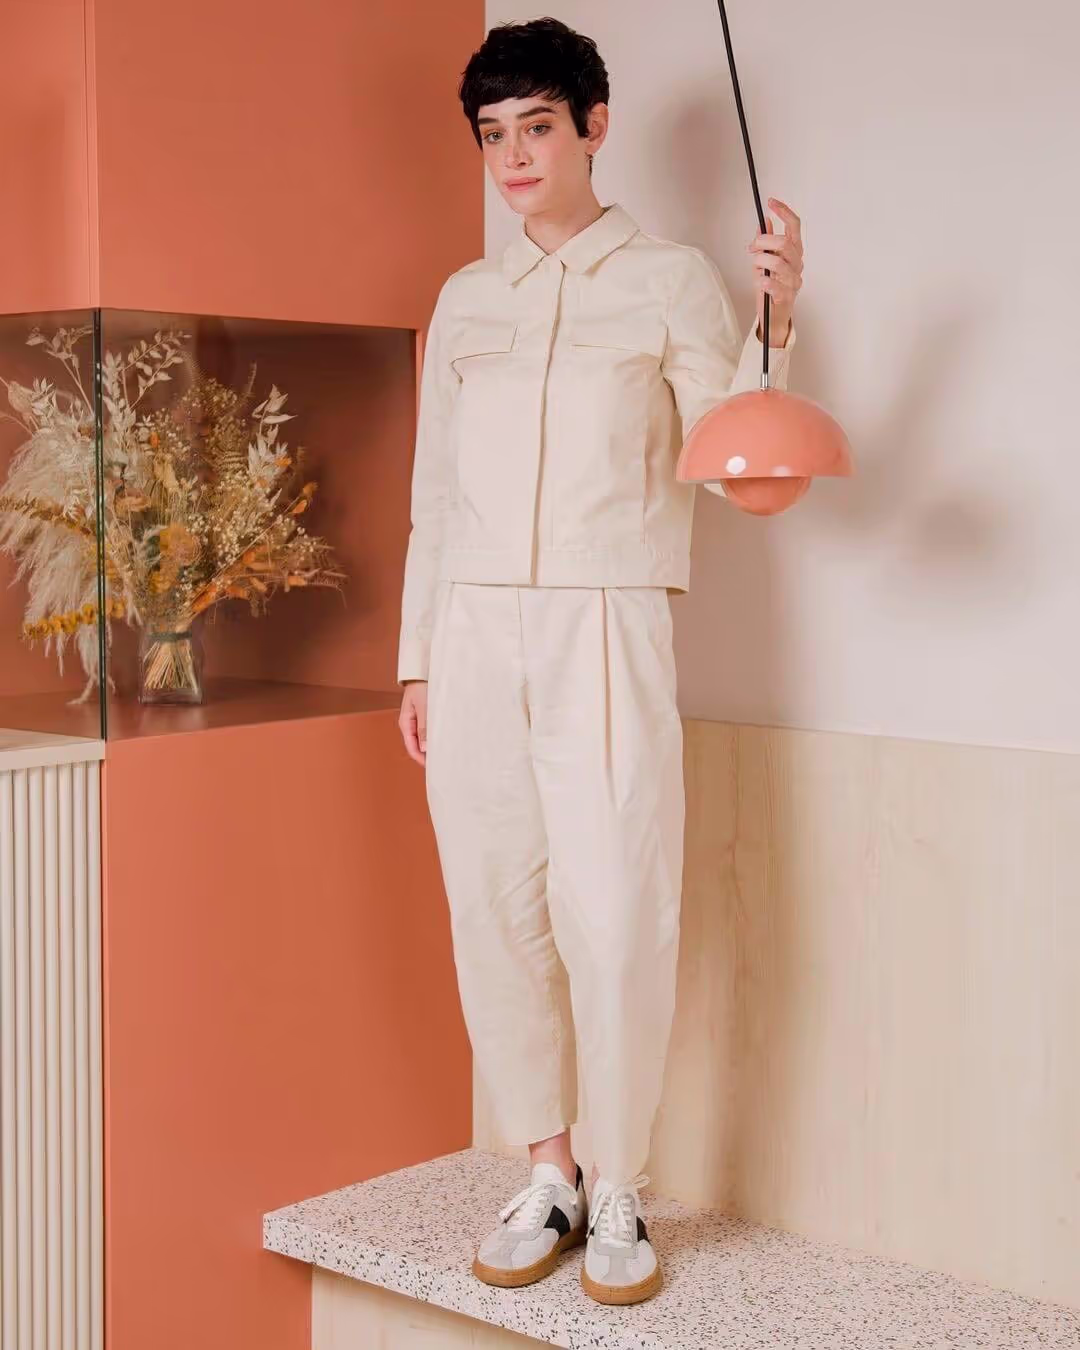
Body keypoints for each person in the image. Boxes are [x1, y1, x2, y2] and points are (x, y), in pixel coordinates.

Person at [396, 16, 803, 1306]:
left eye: (536, 126)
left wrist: (777, 320)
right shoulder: (466, 300)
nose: (514, 155)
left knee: (619, 907)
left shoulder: (671, 279)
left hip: (607, 622)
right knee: (491, 909)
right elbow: (435, 502)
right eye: (493, 134)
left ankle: (622, 1185)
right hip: (471, 633)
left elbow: (736, 460)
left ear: (592, 127)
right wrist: (415, 661)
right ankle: (549, 1168)